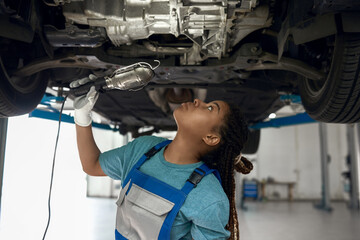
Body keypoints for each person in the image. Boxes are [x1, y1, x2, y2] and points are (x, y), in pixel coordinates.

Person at [71, 76, 253, 240]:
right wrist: (82, 118)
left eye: (210, 108)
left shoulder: (208, 197)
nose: (198, 100)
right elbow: (92, 165)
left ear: (211, 138)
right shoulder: (143, 148)